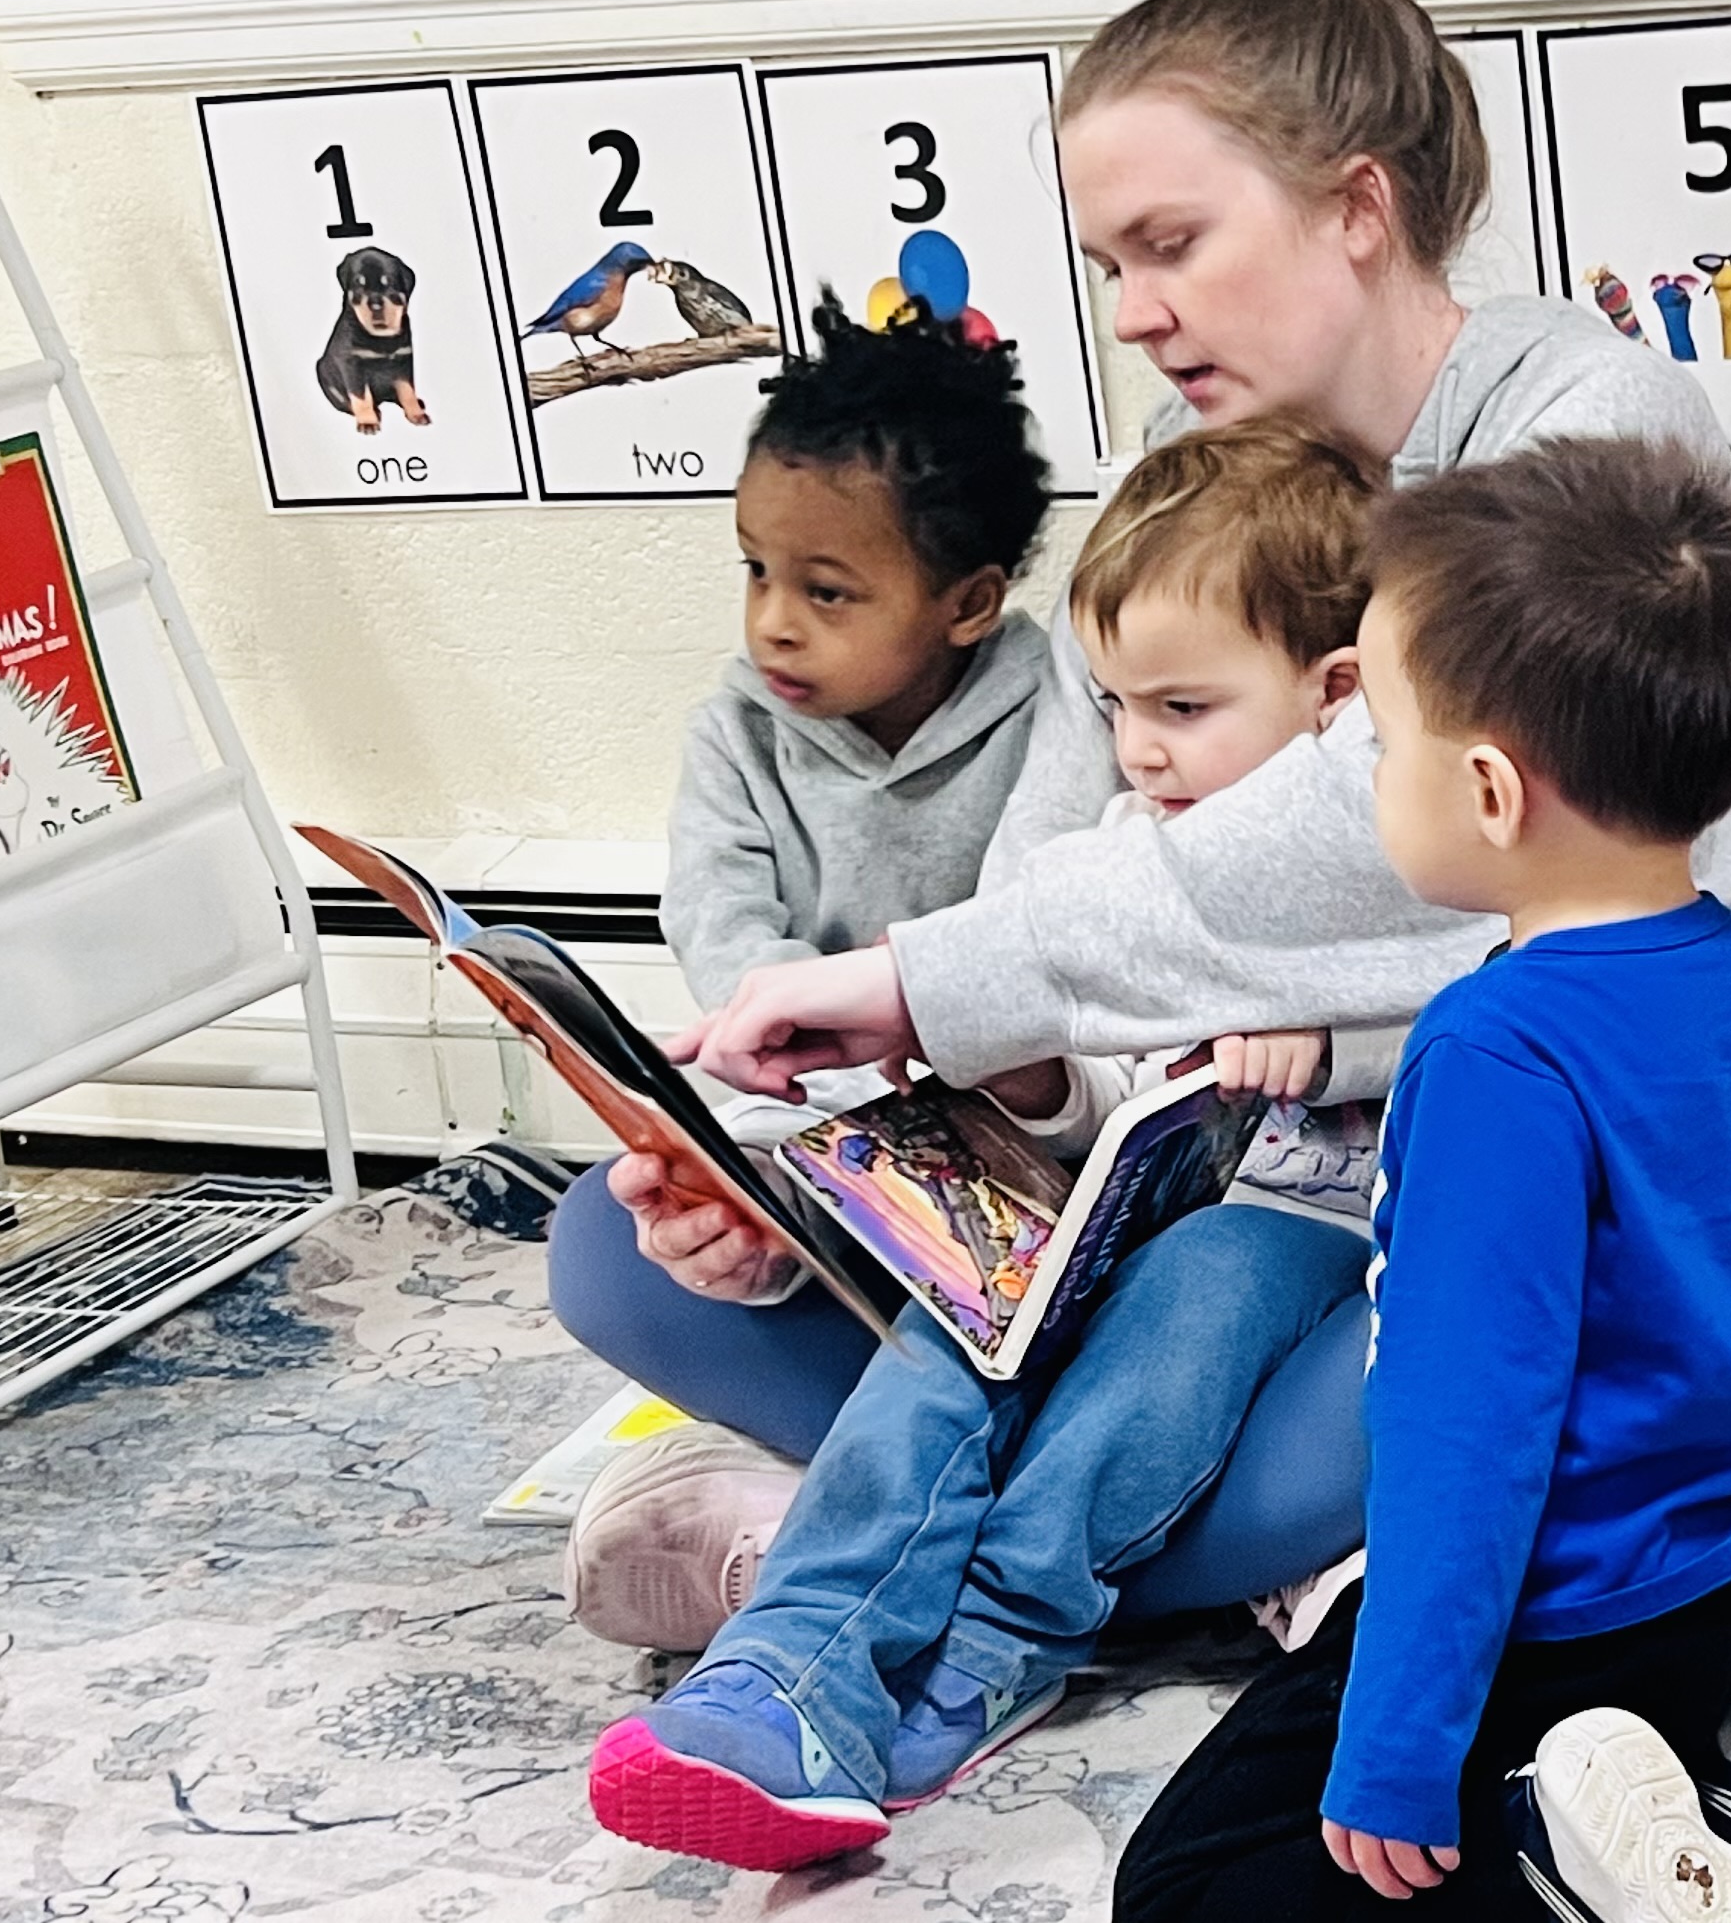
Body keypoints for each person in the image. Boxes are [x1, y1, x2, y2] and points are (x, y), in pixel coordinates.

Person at [601, 0, 1731, 1635]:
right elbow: (1058, 887)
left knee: (1453, 1367)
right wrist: (926, 1113)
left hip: (1495, 1170)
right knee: (623, 1244)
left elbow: (1383, 835)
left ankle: (887, 1535)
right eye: (1109, 264)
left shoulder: (1592, 426)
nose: (1136, 312)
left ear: (1355, 210)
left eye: (1172, 246)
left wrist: (947, 987)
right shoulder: (1187, 471)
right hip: (1202, 1165)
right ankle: (1081, 1531)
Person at [1113, 438, 1731, 1923]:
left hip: (1554, 1617)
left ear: (1489, 790)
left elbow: (1460, 1435)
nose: (1368, 778)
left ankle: (1585, 1853)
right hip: (1727, 1582)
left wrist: (1400, 1748)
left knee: (1186, 1886)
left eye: (1382, 746)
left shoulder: (1496, 1051)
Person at [588, 418, 1399, 1869]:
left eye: (1182, 708)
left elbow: (1506, 1009)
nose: (1139, 748)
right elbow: (1090, 1092)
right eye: (1112, 705)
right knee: (957, 1321)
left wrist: (1335, 1048)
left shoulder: (1401, 848)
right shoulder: (1119, 854)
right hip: (1111, 1202)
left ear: (1336, 699)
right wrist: (1022, 1074)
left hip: (1301, 1222)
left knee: (1180, 1308)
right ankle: (790, 1665)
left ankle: (994, 1643)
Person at [556, 295, 1058, 1651]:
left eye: (827, 591)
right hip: (816, 1143)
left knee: (1046, 1324)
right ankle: (896, 1500)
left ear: (968, 603)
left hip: (1019, 1167)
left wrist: (899, 1040)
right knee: (606, 1242)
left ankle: (881, 1525)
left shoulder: (1063, 715)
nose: (774, 622)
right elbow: (729, 946)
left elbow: (1035, 954)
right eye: (754, 570)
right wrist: (782, 1147)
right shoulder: (735, 730)